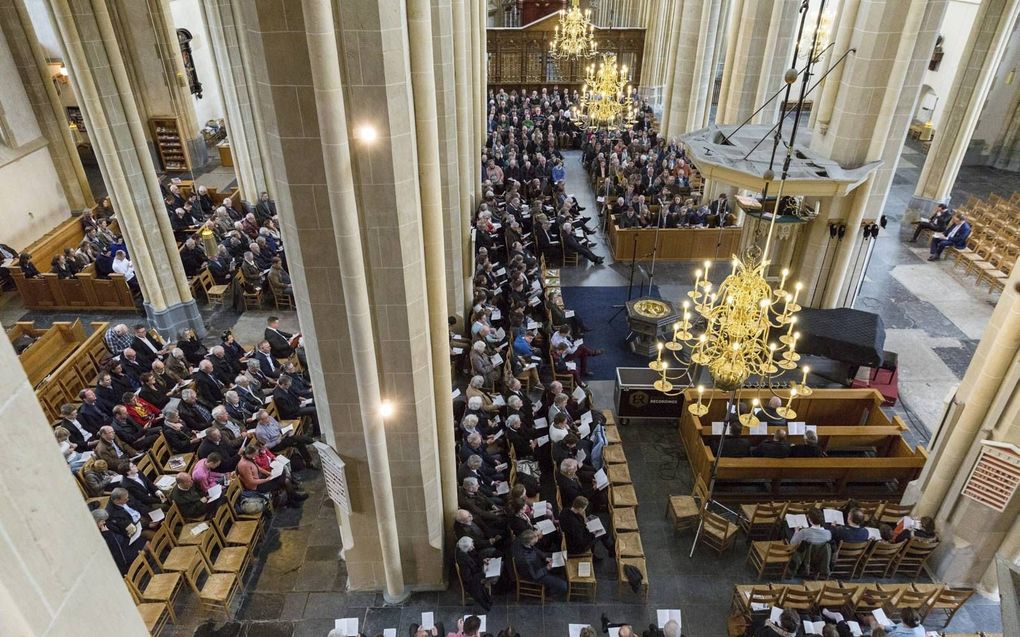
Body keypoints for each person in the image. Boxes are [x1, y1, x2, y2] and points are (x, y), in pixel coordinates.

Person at [236, 444, 307, 506]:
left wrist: (268, 473)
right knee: (285, 479)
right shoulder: (244, 465)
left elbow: (259, 468)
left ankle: (293, 498)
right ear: (251, 454)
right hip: (257, 487)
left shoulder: (249, 458)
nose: (256, 456)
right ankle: (293, 498)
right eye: (256, 454)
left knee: (285, 479)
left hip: (261, 479)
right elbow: (251, 481)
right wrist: (266, 480)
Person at [512, 529, 567, 596]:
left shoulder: (526, 544)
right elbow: (535, 576)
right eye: (534, 541)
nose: (537, 539)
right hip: (537, 575)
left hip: (539, 566)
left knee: (562, 565)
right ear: (529, 542)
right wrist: (546, 568)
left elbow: (536, 550)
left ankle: (556, 578)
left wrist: (545, 558)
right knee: (564, 586)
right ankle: (549, 593)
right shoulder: (525, 558)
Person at [93, 508, 142, 575]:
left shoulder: (105, 527)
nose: (104, 522)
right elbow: (115, 549)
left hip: (123, 546)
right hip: (119, 557)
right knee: (141, 549)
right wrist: (108, 534)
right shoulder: (101, 534)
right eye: (102, 521)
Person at [454, 539, 493, 612]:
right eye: (471, 547)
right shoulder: (463, 561)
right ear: (466, 548)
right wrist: (483, 573)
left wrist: (483, 561)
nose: (473, 548)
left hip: (475, 571)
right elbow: (469, 578)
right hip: (472, 581)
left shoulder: (465, 551)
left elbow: (474, 558)